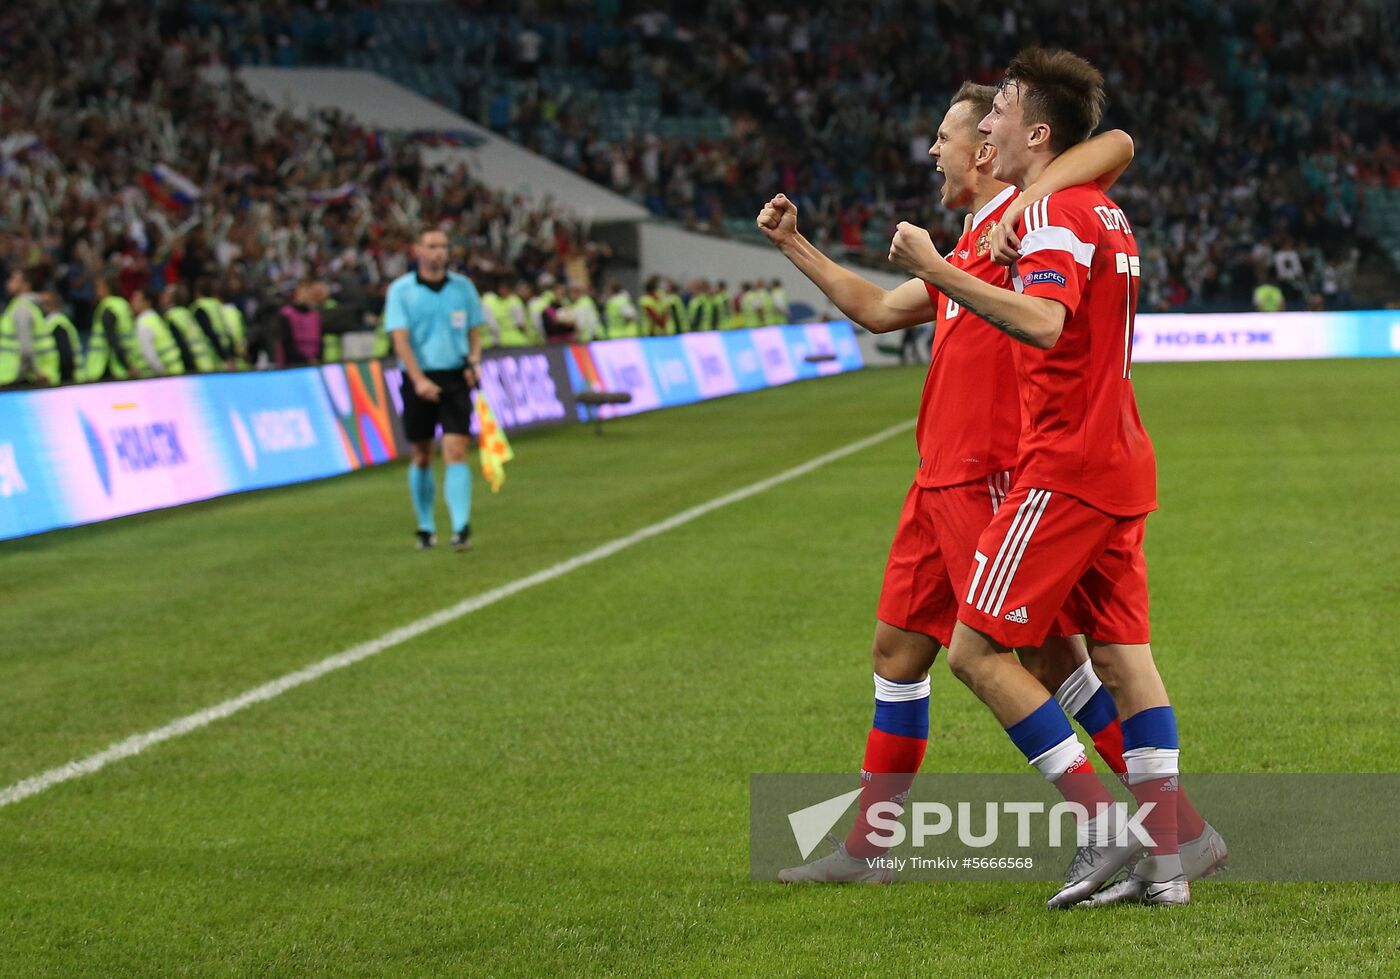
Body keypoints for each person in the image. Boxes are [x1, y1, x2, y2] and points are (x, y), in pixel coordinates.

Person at [765, 80, 1219, 891]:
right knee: (897, 653)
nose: (932, 150)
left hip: (995, 477)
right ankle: (869, 851)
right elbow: (878, 308)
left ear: (985, 148)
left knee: (1050, 660)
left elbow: (1114, 144)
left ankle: (1166, 829)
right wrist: (796, 246)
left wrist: (1018, 206)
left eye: (944, 137)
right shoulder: (975, 240)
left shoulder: (1027, 223)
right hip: (936, 478)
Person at [889, 48, 1192, 907]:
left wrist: (938, 269)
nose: (988, 123)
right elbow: (1115, 145)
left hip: (1064, 467)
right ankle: (1168, 862)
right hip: (1121, 458)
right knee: (1124, 659)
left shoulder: (1054, 213)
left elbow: (1047, 321)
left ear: (1038, 133)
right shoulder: (1102, 210)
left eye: (1002, 109)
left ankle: (1101, 823)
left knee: (975, 650)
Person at [385, 227, 485, 552]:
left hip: (455, 376)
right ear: (417, 250)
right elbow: (400, 340)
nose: (439, 251)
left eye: (443, 245)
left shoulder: (463, 287)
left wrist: (474, 360)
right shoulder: (401, 290)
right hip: (419, 378)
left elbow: (474, 331)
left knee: (456, 449)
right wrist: (418, 380)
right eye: (431, 246)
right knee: (422, 453)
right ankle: (426, 527)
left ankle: (461, 527)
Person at [0, 265, 56, 387]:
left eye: (14, 279)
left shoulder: (21, 309)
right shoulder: (26, 306)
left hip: (15, 378)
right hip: (18, 376)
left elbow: (26, 348)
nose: (8, 282)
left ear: (26, 285)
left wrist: (36, 372)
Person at [130, 287, 185, 376]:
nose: (133, 302)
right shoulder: (155, 318)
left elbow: (150, 356)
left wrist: (163, 374)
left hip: (163, 375)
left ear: (147, 302)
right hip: (176, 369)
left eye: (137, 299)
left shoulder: (143, 323)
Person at [278, 280, 324, 366]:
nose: (306, 295)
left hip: (315, 362)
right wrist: (304, 360)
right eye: (303, 291)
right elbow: (287, 342)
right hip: (294, 363)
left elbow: (320, 339)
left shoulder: (315, 315)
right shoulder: (287, 314)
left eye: (308, 291)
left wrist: (317, 358)